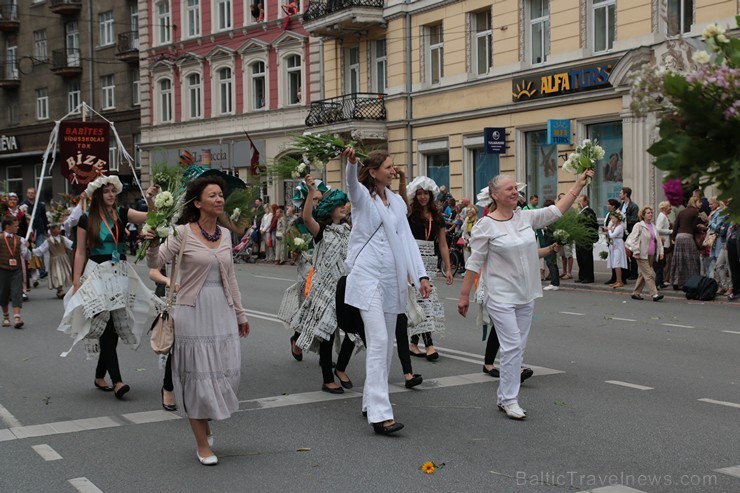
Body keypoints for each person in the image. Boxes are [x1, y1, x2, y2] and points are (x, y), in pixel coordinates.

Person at [458, 168, 594, 420]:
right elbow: (474, 263)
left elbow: (557, 210)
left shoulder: (525, 217)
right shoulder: (485, 225)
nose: (515, 192)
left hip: (526, 293)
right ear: (495, 195)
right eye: (509, 189)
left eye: (515, 188)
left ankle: (504, 396)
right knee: (510, 346)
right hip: (500, 295)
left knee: (517, 347)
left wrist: (579, 185)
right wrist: (464, 295)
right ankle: (510, 400)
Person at [147, 176, 250, 466]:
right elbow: (154, 263)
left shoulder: (226, 235)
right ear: (198, 202)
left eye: (221, 195)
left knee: (225, 373)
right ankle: (201, 443)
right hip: (192, 311)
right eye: (213, 195)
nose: (219, 200)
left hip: (222, 311)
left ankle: (204, 422)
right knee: (196, 376)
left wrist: (240, 314)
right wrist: (154, 239)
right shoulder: (181, 233)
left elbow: (230, 278)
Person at [343, 147, 431, 435]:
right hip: (367, 276)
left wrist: (421, 275)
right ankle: (381, 415)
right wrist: (351, 165)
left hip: (391, 279)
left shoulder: (395, 202)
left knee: (387, 345)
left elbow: (406, 241)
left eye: (393, 167)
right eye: (389, 167)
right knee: (379, 340)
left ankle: (370, 400)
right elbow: (352, 186)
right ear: (374, 172)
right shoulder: (362, 199)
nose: (394, 171)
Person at [61, 176, 162, 400]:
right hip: (96, 274)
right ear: (98, 194)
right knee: (106, 328)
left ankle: (99, 375)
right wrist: (76, 282)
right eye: (106, 191)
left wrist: (151, 199)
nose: (110, 195)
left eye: (112, 191)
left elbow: (152, 217)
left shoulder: (122, 213)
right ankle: (117, 381)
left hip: (119, 274)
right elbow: (79, 252)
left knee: (114, 327)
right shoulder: (86, 219)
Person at [292, 177, 356, 393]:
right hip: (325, 290)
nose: (343, 209)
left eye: (343, 206)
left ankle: (341, 367)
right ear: (330, 211)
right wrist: (311, 193)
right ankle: (327, 379)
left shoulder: (349, 231)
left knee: (355, 330)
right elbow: (306, 216)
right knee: (327, 333)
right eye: (338, 206)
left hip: (346, 288)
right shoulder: (322, 232)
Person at [400, 175, 453, 361]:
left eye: (426, 194)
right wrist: (402, 179)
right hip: (413, 261)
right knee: (423, 302)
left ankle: (413, 343)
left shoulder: (437, 216)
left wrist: (448, 268)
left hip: (430, 262)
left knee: (424, 301)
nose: (423, 197)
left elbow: (443, 244)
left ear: (431, 195)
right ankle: (429, 345)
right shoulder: (410, 213)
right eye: (419, 194)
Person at [626, 206, 664, 301]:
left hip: (651, 254)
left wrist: (661, 252)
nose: (650, 214)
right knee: (649, 274)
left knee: (643, 274)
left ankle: (636, 293)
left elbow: (658, 240)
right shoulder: (639, 225)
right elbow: (633, 239)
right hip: (641, 254)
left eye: (651, 212)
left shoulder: (653, 226)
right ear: (643, 215)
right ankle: (654, 294)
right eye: (648, 213)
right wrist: (636, 251)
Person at [1, 216, 30, 328]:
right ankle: (6, 317)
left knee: (17, 292)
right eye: (15, 226)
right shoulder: (0, 238)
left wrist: (27, 248)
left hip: (16, 270)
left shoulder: (20, 240)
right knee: (3, 293)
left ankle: (17, 317)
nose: (17, 228)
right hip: (2, 269)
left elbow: (26, 256)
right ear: (8, 226)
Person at [669, 196, 705, 290]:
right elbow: (693, 228)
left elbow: (676, 225)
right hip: (688, 237)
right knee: (691, 260)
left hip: (679, 236)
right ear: (695, 202)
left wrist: (673, 237)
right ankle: (691, 282)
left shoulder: (682, 212)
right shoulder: (695, 212)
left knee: (679, 260)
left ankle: (676, 282)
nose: (701, 204)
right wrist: (701, 228)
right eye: (699, 202)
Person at [31, 223, 73, 299]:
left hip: (64, 259)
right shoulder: (48, 241)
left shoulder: (63, 238)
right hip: (54, 260)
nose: (60, 230)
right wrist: (33, 251)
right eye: (58, 228)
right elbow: (41, 249)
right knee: (57, 274)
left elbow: (71, 245)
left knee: (64, 273)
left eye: (60, 228)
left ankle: (60, 289)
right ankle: (60, 290)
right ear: (52, 230)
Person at [21, 187, 48, 279]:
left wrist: (46, 230)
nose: (31, 194)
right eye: (29, 193)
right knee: (29, 251)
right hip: (28, 232)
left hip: (39, 230)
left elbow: (44, 218)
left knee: (40, 249)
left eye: (32, 193)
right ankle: (30, 272)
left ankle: (42, 271)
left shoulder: (40, 205)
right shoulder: (23, 205)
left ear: (35, 194)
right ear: (26, 194)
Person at [574, 195, 598, 284]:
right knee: (580, 257)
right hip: (579, 237)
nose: (579, 204)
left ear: (585, 202)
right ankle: (582, 276)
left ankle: (588, 277)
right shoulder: (580, 212)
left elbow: (592, 224)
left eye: (580, 201)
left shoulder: (589, 212)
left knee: (586, 258)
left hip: (586, 238)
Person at [619, 187, 640, 280]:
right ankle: (626, 271)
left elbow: (634, 219)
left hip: (631, 232)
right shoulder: (622, 205)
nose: (620, 195)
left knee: (632, 252)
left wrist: (624, 218)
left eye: (621, 193)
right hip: (623, 231)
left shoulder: (633, 206)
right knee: (624, 252)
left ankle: (634, 273)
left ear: (625, 194)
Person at [655, 201, 673, 289]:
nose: (671, 208)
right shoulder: (662, 216)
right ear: (664, 208)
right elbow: (658, 229)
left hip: (666, 242)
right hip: (663, 242)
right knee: (661, 262)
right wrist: (670, 231)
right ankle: (658, 282)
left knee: (663, 262)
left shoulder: (665, 216)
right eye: (669, 206)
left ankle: (660, 281)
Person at [607, 211, 628, 288]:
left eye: (613, 218)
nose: (611, 220)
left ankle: (620, 281)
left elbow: (612, 235)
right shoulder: (615, 226)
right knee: (615, 263)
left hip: (618, 246)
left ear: (617, 219)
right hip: (615, 245)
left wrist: (609, 230)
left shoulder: (619, 227)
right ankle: (617, 280)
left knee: (617, 263)